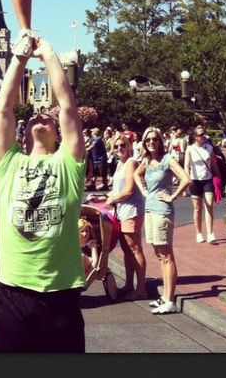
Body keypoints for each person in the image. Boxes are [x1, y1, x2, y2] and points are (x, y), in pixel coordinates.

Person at [0, 36, 86, 353]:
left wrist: (48, 55)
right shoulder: (9, 163)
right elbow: (3, 109)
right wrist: (18, 59)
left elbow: (68, 106)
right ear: (23, 132)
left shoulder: (69, 164)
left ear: (59, 134)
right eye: (34, 115)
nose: (43, 114)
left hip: (61, 294)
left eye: (49, 116)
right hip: (13, 292)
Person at [134, 126, 191, 315]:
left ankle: (170, 299)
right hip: (150, 209)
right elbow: (136, 174)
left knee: (167, 256)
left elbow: (186, 179)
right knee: (159, 254)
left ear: (160, 141)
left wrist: (172, 196)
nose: (151, 142)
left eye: (154, 139)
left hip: (162, 211)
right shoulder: (147, 160)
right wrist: (143, 191)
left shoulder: (168, 160)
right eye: (148, 140)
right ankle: (165, 296)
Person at [103, 135, 147, 300]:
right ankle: (129, 285)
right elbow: (118, 189)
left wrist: (112, 199)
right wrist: (104, 197)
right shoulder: (120, 164)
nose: (119, 148)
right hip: (121, 211)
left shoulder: (131, 163)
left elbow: (128, 190)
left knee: (134, 248)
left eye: (122, 145)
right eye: (116, 146)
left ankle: (141, 288)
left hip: (131, 211)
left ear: (129, 146)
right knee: (127, 251)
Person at [184, 124, 221, 244]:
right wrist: (187, 178)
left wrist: (219, 175)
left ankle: (210, 233)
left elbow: (213, 164)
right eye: (200, 135)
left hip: (207, 179)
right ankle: (199, 233)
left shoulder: (208, 147)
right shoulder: (190, 149)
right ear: (195, 137)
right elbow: (186, 165)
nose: (203, 136)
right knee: (197, 208)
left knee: (209, 204)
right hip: (195, 180)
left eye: (203, 134)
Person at [78, 218, 99, 290]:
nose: (85, 234)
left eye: (87, 231)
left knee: (81, 255)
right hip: (77, 266)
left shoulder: (91, 243)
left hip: (89, 265)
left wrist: (90, 273)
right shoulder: (75, 242)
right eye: (82, 231)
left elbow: (95, 260)